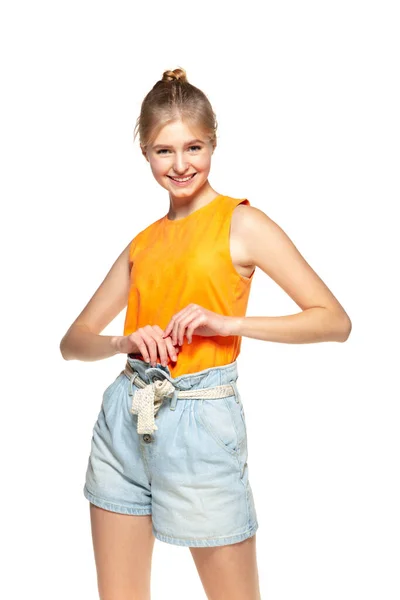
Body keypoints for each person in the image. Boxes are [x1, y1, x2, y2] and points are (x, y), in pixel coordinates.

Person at [60, 67, 352, 600]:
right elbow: (73, 342)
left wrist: (228, 324)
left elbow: (334, 321)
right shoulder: (143, 243)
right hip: (126, 416)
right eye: (163, 151)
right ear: (145, 153)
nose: (180, 165)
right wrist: (124, 342)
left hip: (200, 420)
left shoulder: (241, 223)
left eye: (193, 147)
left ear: (213, 142)